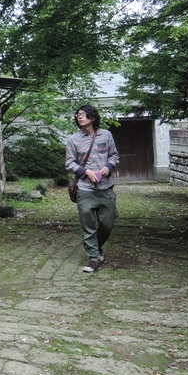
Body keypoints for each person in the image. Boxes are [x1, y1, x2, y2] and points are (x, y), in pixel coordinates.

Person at [65, 105, 119, 273]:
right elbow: (69, 163)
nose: (79, 117)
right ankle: (94, 259)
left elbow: (114, 155)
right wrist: (86, 172)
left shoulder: (106, 135)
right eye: (78, 114)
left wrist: (109, 166)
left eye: (83, 114)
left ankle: (96, 247)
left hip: (106, 188)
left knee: (107, 224)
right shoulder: (73, 139)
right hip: (85, 190)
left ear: (93, 118)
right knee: (88, 227)